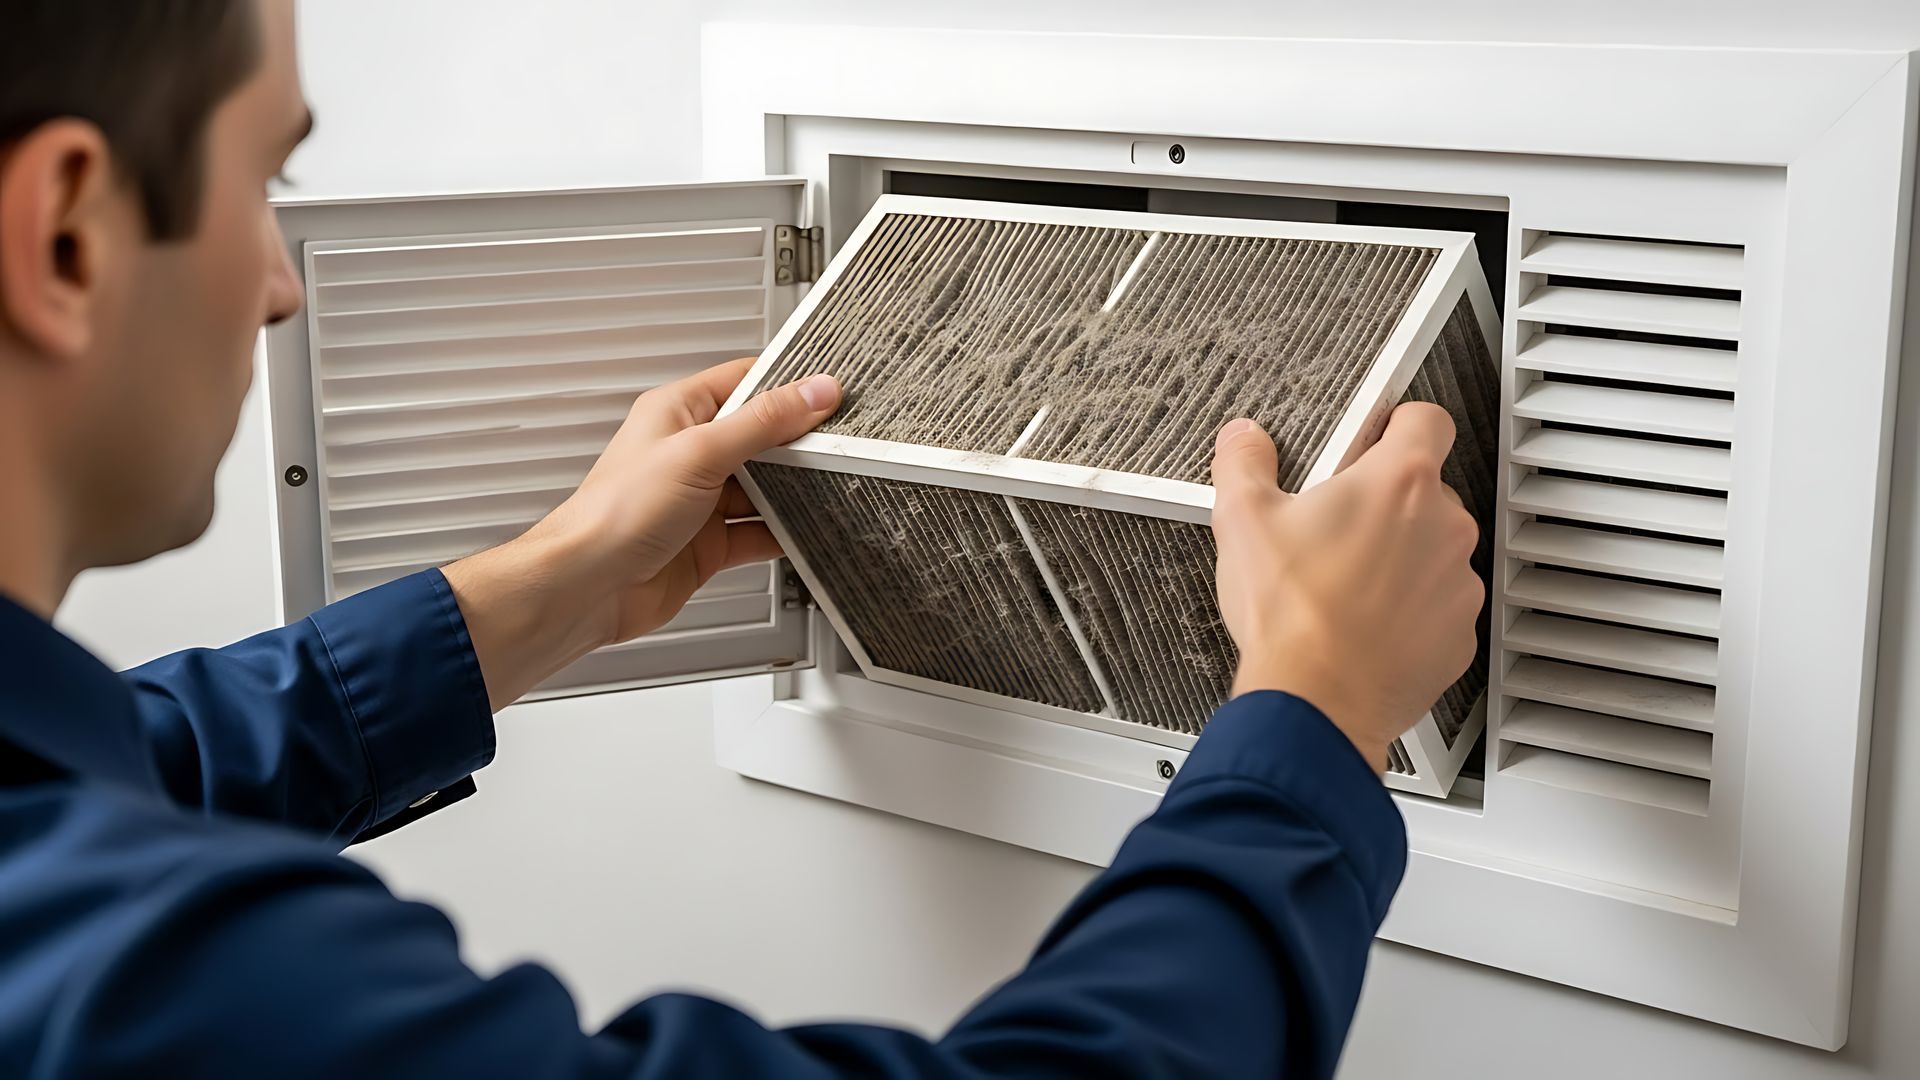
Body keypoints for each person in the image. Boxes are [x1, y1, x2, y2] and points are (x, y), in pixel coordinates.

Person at [0, 1, 1483, 1076]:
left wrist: (545, 586)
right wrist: (1312, 717)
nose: (280, 283)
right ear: (67, 231)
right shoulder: (164, 989)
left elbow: (136, 762)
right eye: (272, 183)